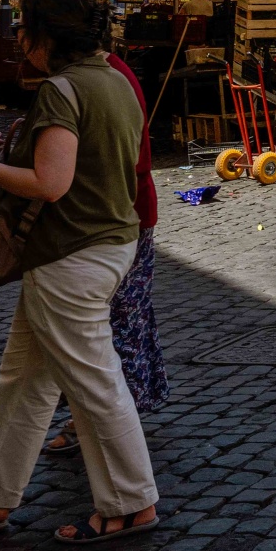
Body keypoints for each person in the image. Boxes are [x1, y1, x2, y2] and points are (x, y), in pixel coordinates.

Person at [0, 0, 159, 544]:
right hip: (105, 246)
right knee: (24, 378)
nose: (18, 35)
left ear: (46, 34)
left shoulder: (62, 89)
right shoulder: (116, 78)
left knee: (94, 382)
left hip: (71, 255)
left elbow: (50, 183)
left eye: (23, 24)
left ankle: (130, 502)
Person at [44, 51, 169, 457]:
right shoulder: (102, 73)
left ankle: (111, 420)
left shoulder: (105, 76)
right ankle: (98, 416)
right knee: (118, 319)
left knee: (118, 321)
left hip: (115, 214)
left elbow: (117, 154)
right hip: (117, 211)